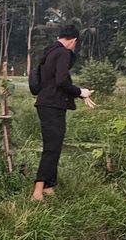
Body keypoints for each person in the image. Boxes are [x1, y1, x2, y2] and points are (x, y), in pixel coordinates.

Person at [32, 24, 91, 202]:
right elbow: (61, 81)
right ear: (73, 40)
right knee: (51, 148)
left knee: (54, 146)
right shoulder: (63, 53)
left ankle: (49, 186)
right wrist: (80, 92)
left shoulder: (49, 51)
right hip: (53, 105)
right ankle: (38, 191)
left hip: (45, 103)